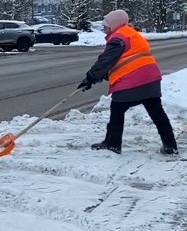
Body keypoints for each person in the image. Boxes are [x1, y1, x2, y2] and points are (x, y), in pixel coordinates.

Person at [76, 9, 178, 155]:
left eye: (107, 25)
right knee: (157, 113)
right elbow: (121, 61)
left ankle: (113, 143)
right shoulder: (131, 34)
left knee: (117, 110)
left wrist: (90, 77)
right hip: (150, 78)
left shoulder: (118, 37)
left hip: (133, 80)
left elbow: (105, 61)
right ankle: (170, 145)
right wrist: (95, 78)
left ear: (115, 24)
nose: (104, 28)